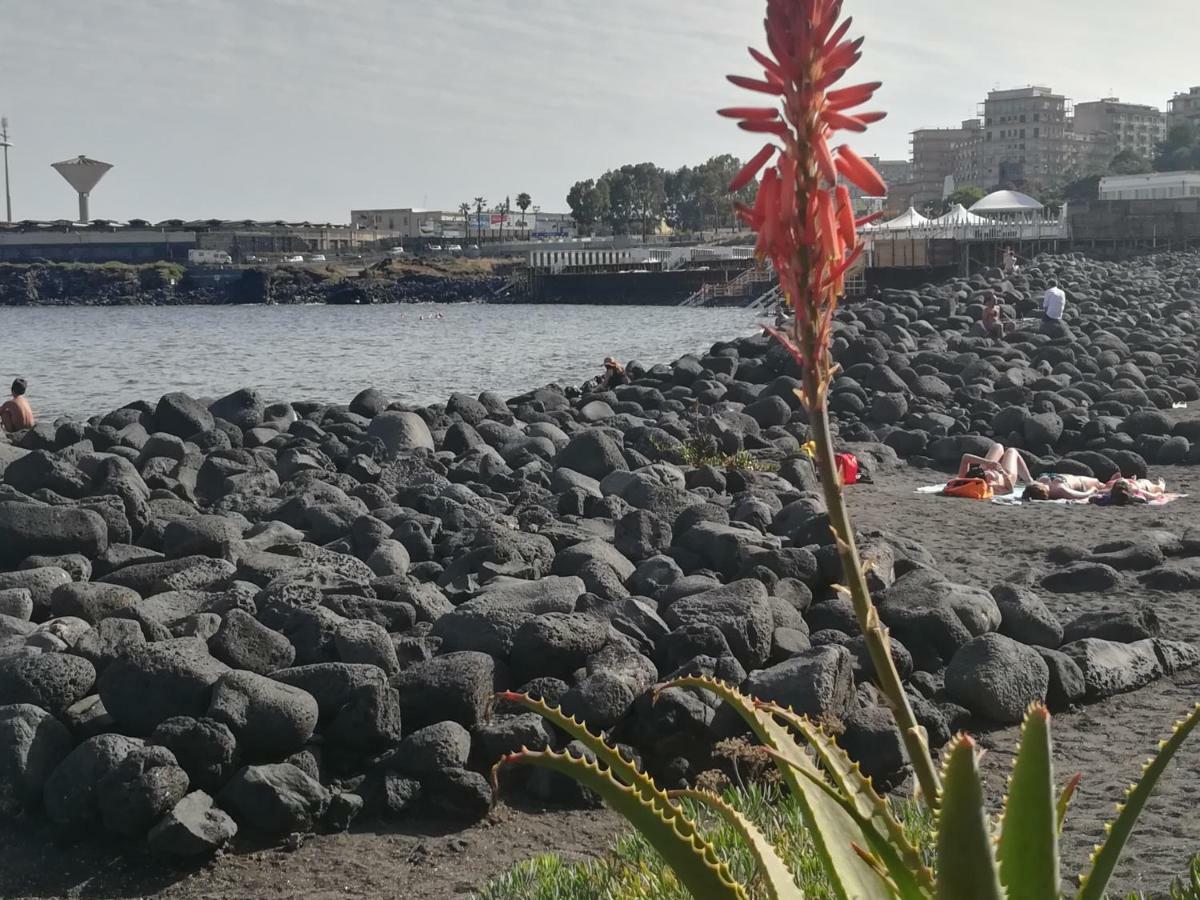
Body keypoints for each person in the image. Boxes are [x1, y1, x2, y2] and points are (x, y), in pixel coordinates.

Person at [955, 443, 1033, 494]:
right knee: (1012, 451)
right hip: (1005, 475)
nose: (988, 473)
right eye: (988, 475)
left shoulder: (964, 480)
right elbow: (1010, 490)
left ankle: (985, 468)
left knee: (998, 446)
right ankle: (1029, 481)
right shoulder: (992, 487)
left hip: (986, 470)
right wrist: (1003, 473)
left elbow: (965, 457)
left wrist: (988, 462)